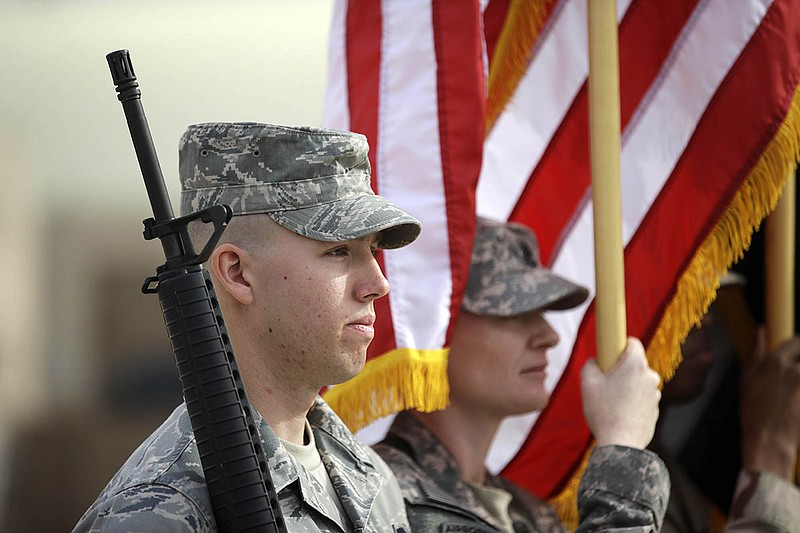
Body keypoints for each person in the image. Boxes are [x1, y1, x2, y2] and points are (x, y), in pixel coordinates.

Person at [74, 122, 423, 532]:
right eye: (339, 251)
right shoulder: (159, 510)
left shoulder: (373, 481)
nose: (378, 284)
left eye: (373, 250)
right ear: (237, 273)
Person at [375, 217, 671, 532]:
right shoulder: (380, 497)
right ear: (435, 329)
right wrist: (622, 442)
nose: (549, 336)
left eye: (540, 313)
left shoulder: (531, 516)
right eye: (513, 312)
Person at [653, 275, 800, 533]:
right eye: (676, 299)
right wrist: (769, 455)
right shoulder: (584, 488)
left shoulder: (664, 468)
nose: (705, 317)